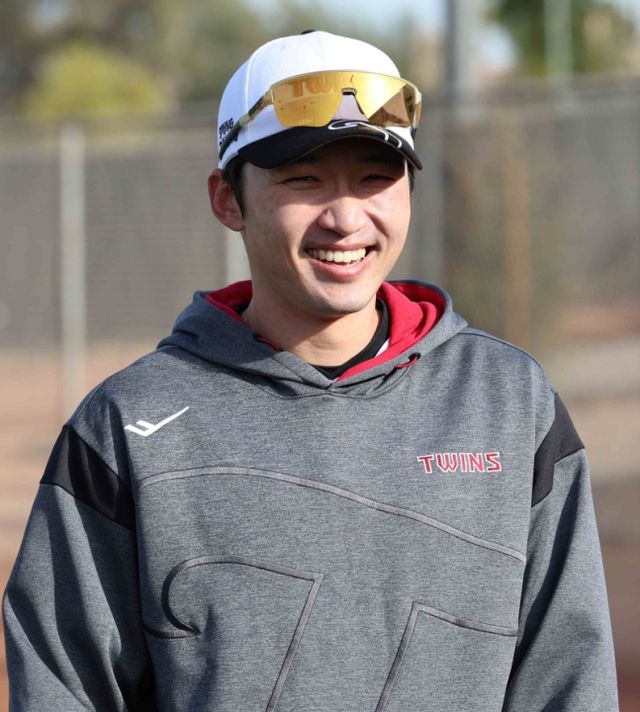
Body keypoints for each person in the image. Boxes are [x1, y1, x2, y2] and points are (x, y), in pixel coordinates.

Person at [3, 30, 618, 712]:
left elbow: (570, 678)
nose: (346, 217)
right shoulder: (126, 427)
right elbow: (63, 689)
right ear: (227, 199)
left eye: (375, 178)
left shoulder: (509, 403)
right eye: (304, 178)